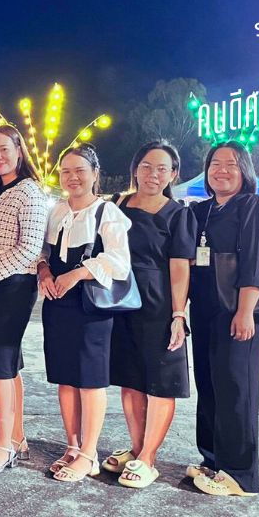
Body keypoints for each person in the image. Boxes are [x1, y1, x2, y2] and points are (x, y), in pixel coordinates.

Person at [187, 141, 259, 497]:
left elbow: (256, 262)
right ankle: (212, 459)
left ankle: (240, 474)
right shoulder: (201, 211)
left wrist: (245, 312)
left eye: (231, 164)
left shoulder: (253, 206)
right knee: (209, 383)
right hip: (205, 309)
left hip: (238, 309)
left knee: (236, 387)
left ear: (245, 170)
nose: (221, 170)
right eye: (215, 164)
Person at [38, 144, 132, 483]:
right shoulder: (56, 211)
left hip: (91, 306)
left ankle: (89, 453)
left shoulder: (107, 212)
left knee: (90, 380)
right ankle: (73, 446)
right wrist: (44, 273)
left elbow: (120, 261)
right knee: (65, 377)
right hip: (57, 302)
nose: (72, 177)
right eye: (66, 171)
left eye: (80, 170)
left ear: (95, 174)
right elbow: (43, 252)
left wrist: (77, 274)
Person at [105, 141, 196, 488]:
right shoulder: (116, 204)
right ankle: (136, 447)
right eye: (146, 166)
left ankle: (149, 458)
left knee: (160, 382)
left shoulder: (178, 214)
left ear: (173, 174)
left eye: (162, 168)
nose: (152, 174)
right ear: (135, 169)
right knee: (130, 379)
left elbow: (179, 267)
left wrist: (178, 314)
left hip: (158, 305)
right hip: (119, 302)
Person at [0, 124, 48, 476]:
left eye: (4, 149)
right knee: (9, 364)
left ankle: (2, 446)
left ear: (19, 151)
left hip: (12, 287)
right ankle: (17, 437)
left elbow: (29, 249)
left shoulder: (29, 191)